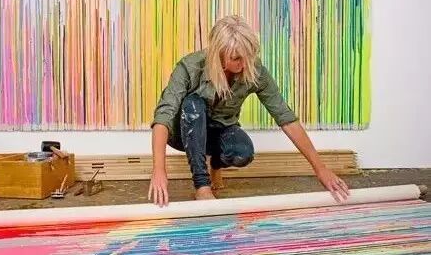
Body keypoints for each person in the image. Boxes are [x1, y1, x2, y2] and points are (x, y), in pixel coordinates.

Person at [148, 15, 350, 206]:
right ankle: (202, 186)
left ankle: (215, 164)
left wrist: (321, 169)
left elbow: (285, 117)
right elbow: (163, 117)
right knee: (193, 104)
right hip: (184, 133)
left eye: (248, 57)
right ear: (219, 55)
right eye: (236, 58)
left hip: (219, 130)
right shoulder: (190, 67)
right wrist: (159, 170)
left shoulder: (254, 70)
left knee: (242, 153)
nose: (244, 64)